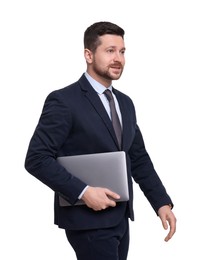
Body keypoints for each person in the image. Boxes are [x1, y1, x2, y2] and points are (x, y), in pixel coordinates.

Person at [24, 21, 176, 260]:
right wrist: (83, 192)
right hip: (87, 221)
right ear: (89, 54)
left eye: (122, 51)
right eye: (109, 50)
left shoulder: (125, 103)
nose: (118, 58)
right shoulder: (64, 101)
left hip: (121, 218)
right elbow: (37, 158)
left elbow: (137, 158)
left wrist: (161, 203)